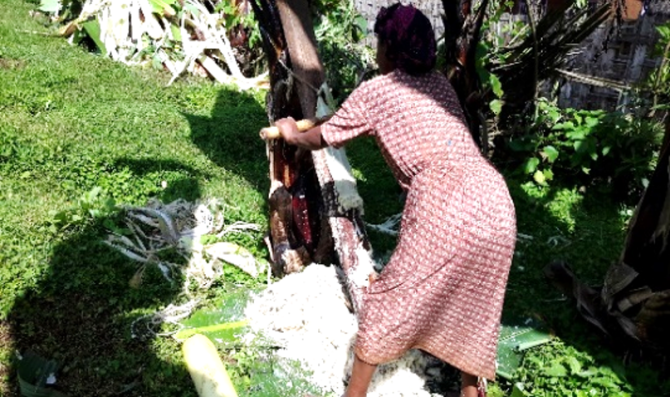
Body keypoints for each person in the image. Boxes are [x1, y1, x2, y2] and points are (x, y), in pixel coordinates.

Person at [274, 3, 517, 397]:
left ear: (388, 48)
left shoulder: (377, 91)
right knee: (476, 310)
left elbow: (323, 135)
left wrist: (290, 132)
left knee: (386, 304)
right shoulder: (439, 84)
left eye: (378, 43)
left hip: (446, 203)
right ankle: (472, 391)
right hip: (495, 200)